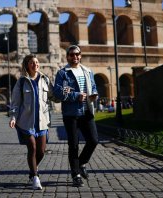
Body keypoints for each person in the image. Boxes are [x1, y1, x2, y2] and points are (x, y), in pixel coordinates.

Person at [9, 54, 57, 190]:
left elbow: (53, 96)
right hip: (26, 122)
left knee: (41, 151)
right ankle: (35, 177)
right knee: (32, 147)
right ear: (27, 65)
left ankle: (32, 170)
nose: (35, 64)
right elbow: (15, 103)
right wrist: (13, 117)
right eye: (32, 62)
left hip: (42, 122)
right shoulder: (22, 82)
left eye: (36, 62)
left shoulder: (45, 79)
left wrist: (64, 94)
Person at [53, 45, 99, 187]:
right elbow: (58, 93)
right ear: (67, 56)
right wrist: (75, 95)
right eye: (72, 55)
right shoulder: (63, 73)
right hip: (71, 114)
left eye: (77, 54)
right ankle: (76, 174)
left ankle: (81, 163)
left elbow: (94, 86)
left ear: (80, 55)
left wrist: (94, 95)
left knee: (93, 140)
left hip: (87, 111)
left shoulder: (88, 71)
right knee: (73, 145)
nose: (75, 57)